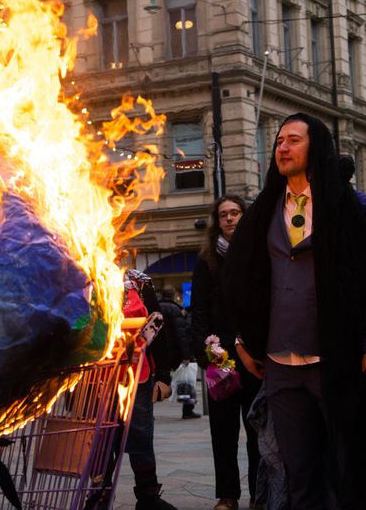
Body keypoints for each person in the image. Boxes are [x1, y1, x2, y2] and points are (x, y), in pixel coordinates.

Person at [224, 113, 366, 508]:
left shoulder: (355, 207)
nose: (283, 148)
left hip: (338, 363)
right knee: (298, 473)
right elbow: (241, 281)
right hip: (280, 366)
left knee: (351, 468)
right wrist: (243, 340)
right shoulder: (262, 213)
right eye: (278, 142)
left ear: (316, 146)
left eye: (293, 140)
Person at [189, 194, 262, 510]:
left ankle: (261, 493)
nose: (230, 219)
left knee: (258, 431)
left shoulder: (260, 256)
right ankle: (227, 495)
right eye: (224, 215)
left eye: (236, 213)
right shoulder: (206, 261)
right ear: (217, 222)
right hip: (220, 359)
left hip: (256, 358)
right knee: (223, 432)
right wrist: (209, 356)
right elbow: (199, 314)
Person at [122, 269, 180, 510]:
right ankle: (97, 493)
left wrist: (164, 377)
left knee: (141, 436)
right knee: (100, 439)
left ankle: (148, 495)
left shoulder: (139, 281)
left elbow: (158, 331)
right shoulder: (84, 271)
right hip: (97, 379)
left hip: (139, 376)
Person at [155, 286, 195, 419]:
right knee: (186, 380)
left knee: (157, 380)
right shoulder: (175, 309)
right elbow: (180, 334)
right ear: (173, 296)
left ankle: (150, 411)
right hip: (173, 352)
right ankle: (187, 410)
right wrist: (185, 355)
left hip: (158, 352)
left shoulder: (155, 308)